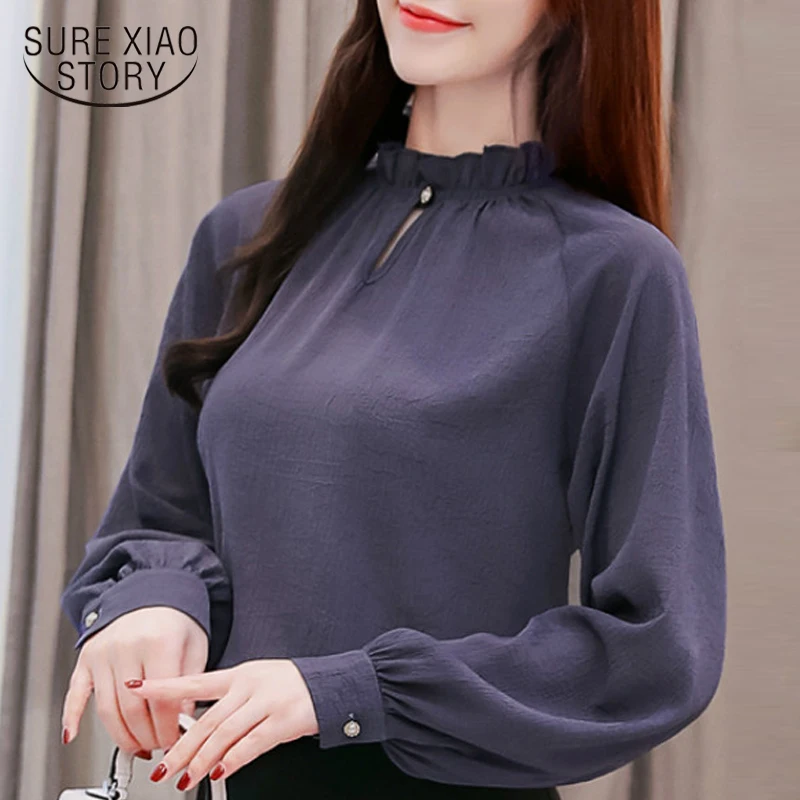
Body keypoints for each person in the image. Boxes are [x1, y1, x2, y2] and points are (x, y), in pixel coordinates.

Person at [59, 1, 727, 798]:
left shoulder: (615, 273)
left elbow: (655, 648)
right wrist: (151, 601)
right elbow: (157, 515)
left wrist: (348, 693)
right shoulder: (249, 235)